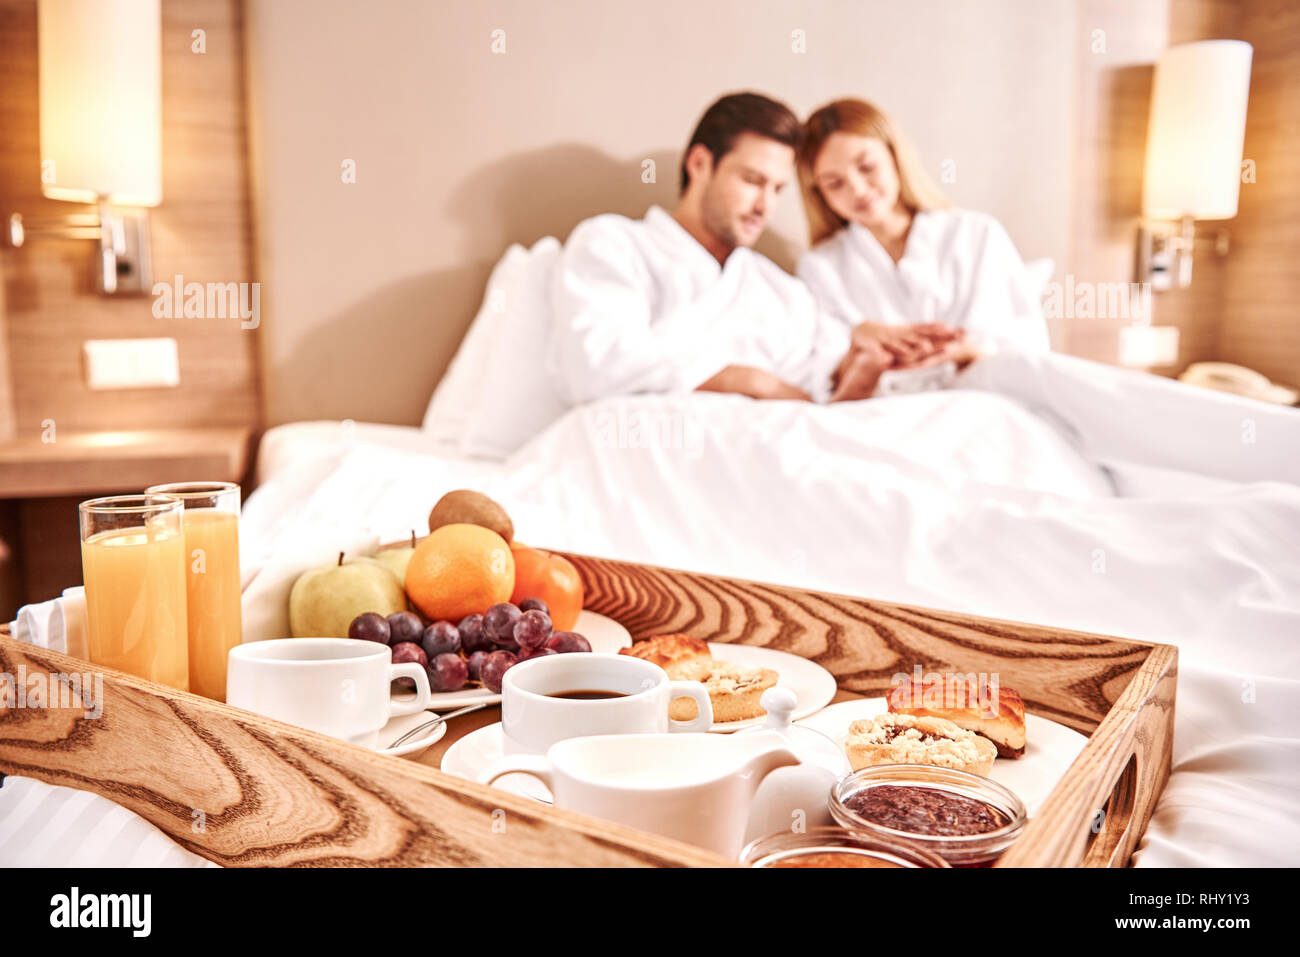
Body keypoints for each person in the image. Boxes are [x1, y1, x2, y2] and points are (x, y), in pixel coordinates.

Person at [546, 92, 849, 406]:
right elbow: (600, 367)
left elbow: (815, 406)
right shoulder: (612, 245)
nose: (765, 206)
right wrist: (748, 382)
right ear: (700, 163)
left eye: (777, 189)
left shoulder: (785, 294)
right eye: (752, 180)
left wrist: (863, 367)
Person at [796, 98, 1051, 400]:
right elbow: (820, 377)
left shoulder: (977, 234)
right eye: (835, 183)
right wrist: (859, 347)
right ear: (819, 194)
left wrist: (964, 352)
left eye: (867, 167)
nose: (858, 190)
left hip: (978, 402)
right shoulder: (821, 265)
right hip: (879, 412)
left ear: (894, 156)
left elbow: (1026, 349)